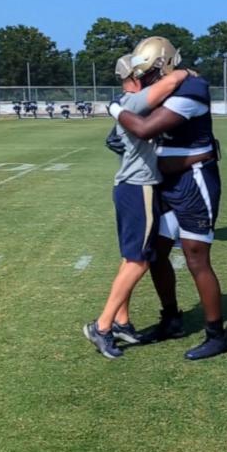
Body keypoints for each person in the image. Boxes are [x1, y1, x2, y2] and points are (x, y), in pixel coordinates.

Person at [110, 36, 227, 360]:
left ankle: (216, 333)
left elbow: (147, 128)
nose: (143, 79)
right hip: (165, 181)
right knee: (156, 254)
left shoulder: (193, 88)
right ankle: (171, 319)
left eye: (147, 72)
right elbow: (125, 134)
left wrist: (116, 109)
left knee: (195, 257)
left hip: (194, 181)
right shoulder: (165, 87)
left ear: (162, 65)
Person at [84, 57, 192, 359]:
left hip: (132, 188)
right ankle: (102, 327)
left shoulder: (128, 101)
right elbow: (170, 84)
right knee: (139, 261)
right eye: (147, 72)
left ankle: (120, 322)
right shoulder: (134, 99)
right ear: (135, 75)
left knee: (130, 258)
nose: (155, 75)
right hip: (138, 188)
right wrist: (186, 72)